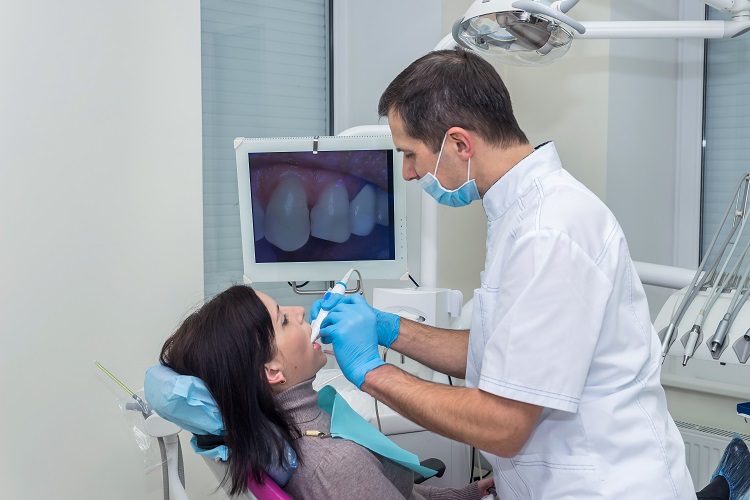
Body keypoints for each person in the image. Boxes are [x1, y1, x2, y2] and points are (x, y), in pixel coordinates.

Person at [312, 48, 697, 499]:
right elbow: (504, 351)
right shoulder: (519, 213)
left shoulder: (547, 231)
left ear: (459, 143)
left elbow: (504, 423)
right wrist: (389, 329)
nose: (409, 173)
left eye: (410, 154)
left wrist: (372, 372)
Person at [158, 284, 493, 499]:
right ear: (272, 371)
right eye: (283, 320)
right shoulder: (332, 465)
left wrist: (472, 492)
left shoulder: (291, 435)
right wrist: (373, 370)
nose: (299, 311)